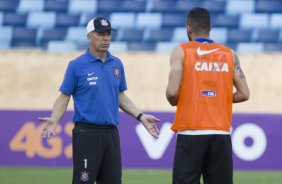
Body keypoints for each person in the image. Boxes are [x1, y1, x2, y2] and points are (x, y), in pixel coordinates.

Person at [39, 17, 160, 184]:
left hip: (111, 134)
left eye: (108, 34)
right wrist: (54, 119)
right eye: (101, 34)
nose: (106, 38)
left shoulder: (116, 64)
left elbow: (120, 97)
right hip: (86, 134)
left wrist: (141, 116)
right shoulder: (76, 65)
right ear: (89, 36)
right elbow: (64, 97)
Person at [166, 7, 250, 184]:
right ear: (210, 27)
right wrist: (218, 99)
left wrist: (180, 99)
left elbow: (172, 92)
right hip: (220, 134)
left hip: (190, 131)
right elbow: (244, 94)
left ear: (188, 28)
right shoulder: (229, 54)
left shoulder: (181, 51)